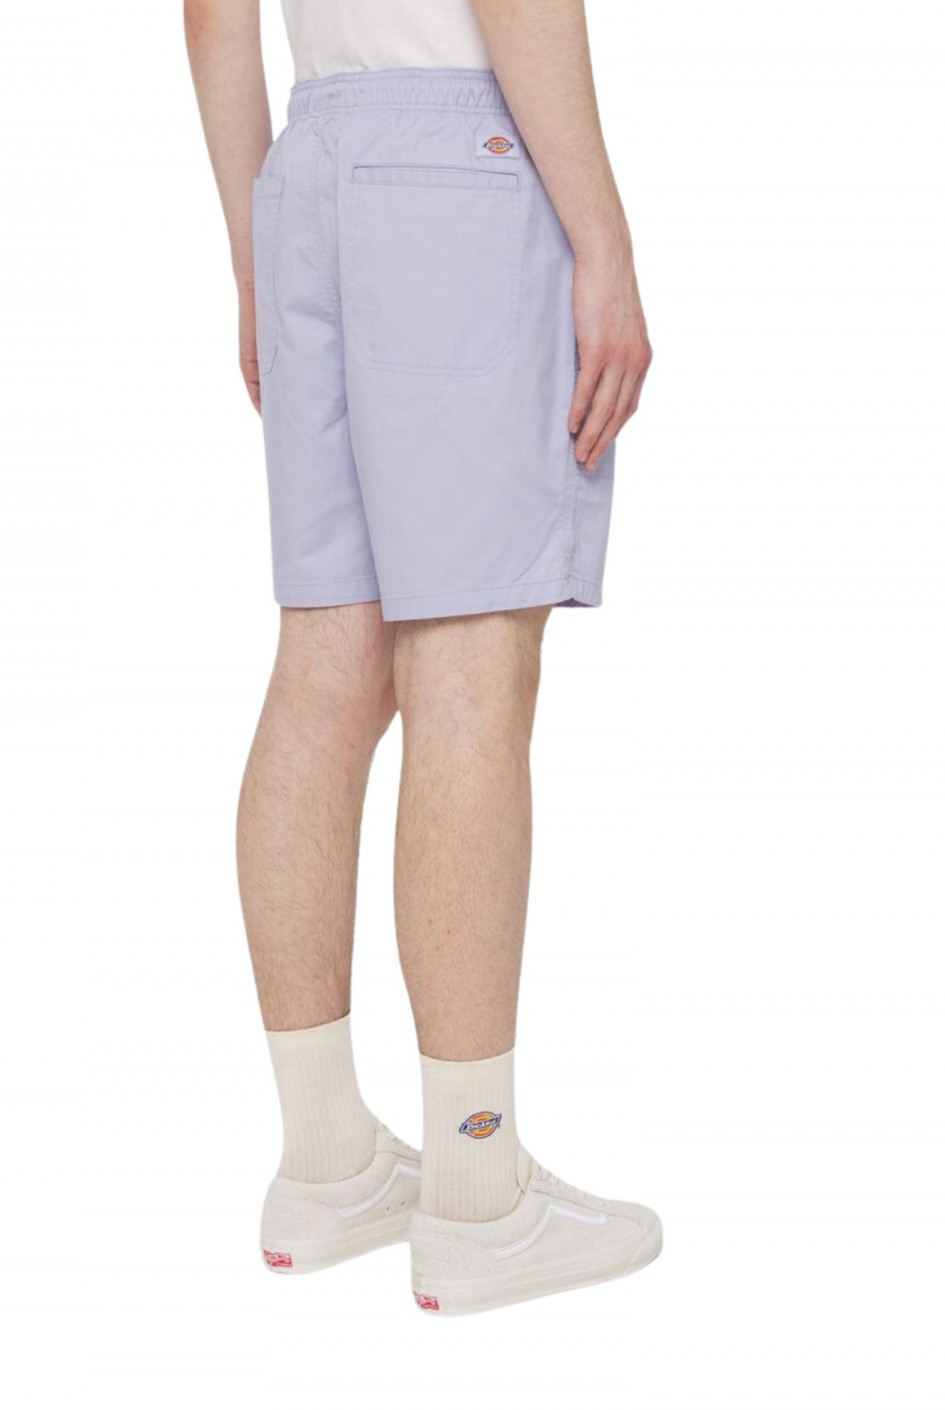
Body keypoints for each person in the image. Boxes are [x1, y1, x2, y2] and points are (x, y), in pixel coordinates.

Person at [185, 0, 659, 1315]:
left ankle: (327, 1164)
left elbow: (213, 14)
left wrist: (257, 245)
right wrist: (604, 238)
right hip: (461, 163)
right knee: (471, 660)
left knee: (325, 661)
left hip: (309, 171)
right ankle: (477, 1191)